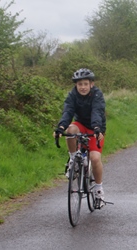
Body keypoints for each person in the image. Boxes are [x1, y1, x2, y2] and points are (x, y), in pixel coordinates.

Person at [53, 68, 106, 208]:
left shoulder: (97, 95)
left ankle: (99, 191)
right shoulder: (72, 95)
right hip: (81, 125)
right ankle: (73, 159)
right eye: (79, 84)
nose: (82, 87)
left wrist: (96, 128)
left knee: (94, 158)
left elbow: (97, 112)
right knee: (71, 130)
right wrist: (61, 128)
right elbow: (68, 111)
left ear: (91, 84)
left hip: (96, 128)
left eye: (85, 84)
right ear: (76, 85)